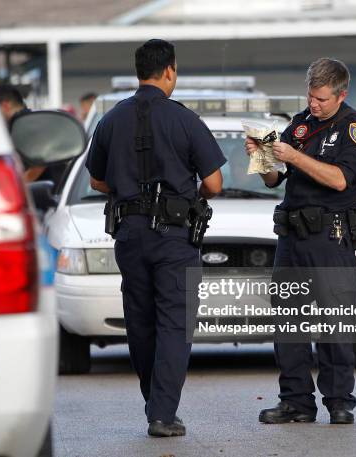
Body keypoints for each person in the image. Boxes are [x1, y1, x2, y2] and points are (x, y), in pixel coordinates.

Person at [86, 39, 225, 437]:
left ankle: (155, 404)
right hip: (174, 238)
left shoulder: (111, 119)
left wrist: (129, 187)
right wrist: (188, 194)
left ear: (138, 72)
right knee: (175, 323)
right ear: (170, 71)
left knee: (141, 322)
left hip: (129, 234)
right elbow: (213, 183)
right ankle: (162, 414)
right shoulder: (184, 119)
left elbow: (97, 178)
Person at [245, 58, 356, 425]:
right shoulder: (299, 124)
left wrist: (295, 157)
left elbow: (339, 180)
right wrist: (262, 158)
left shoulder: (355, 128)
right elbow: (274, 180)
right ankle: (296, 401)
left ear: (341, 94)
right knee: (289, 322)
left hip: (330, 237)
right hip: (292, 236)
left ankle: (339, 402)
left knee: (334, 322)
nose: (313, 105)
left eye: (320, 99)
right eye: (310, 97)